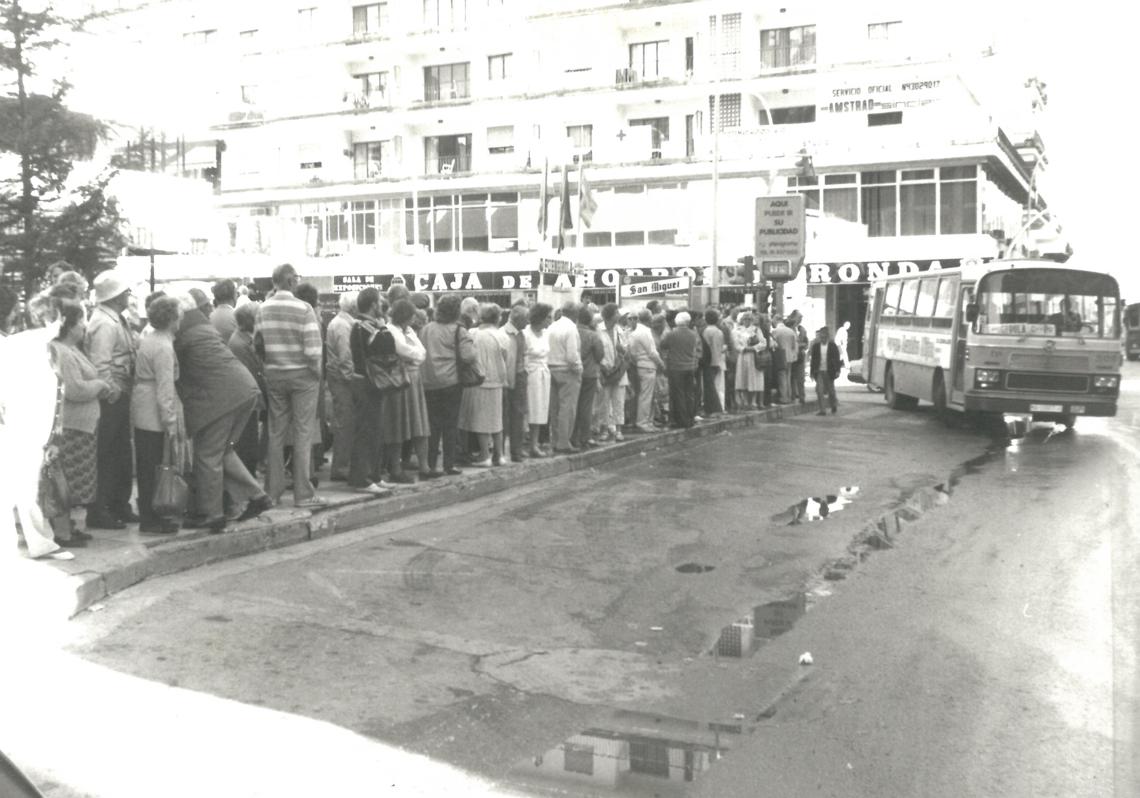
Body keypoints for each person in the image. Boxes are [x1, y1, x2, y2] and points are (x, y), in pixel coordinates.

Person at [175, 293, 272, 530]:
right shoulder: (203, 328)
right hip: (244, 389)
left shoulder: (182, 334)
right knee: (223, 451)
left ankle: (212, 514)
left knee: (208, 455)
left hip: (222, 398)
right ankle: (257, 495)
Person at [0, 291, 71, 560]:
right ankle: (38, 543)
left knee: (21, 488)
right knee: (23, 489)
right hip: (21, 428)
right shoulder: (25, 345)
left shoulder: (29, 345)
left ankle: (34, 542)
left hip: (29, 429)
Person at [255, 263, 326, 508]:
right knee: (302, 434)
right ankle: (303, 493)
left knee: (275, 433)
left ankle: (272, 492)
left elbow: (258, 345)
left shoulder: (263, 309)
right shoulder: (304, 309)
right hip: (302, 375)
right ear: (290, 281)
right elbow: (313, 349)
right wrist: (316, 374)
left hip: (275, 374)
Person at [47, 300, 113, 546]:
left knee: (75, 481)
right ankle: (62, 530)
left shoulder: (71, 349)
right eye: (81, 321)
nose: (85, 326)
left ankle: (68, 526)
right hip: (72, 426)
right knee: (68, 481)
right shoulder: (61, 351)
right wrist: (100, 385)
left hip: (82, 425)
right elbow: (74, 389)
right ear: (69, 325)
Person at [85, 269, 139, 529]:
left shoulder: (114, 319)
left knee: (119, 452)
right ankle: (100, 508)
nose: (129, 295)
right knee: (107, 453)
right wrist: (112, 390)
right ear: (117, 296)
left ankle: (118, 503)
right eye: (126, 292)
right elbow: (100, 363)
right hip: (112, 395)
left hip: (119, 391)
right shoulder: (105, 324)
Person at [131, 295, 185, 534]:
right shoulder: (164, 346)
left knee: (146, 464)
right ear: (172, 318)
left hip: (142, 403)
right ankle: (151, 517)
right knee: (154, 464)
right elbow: (165, 388)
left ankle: (148, 512)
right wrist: (171, 422)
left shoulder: (150, 339)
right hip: (153, 408)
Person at [419, 293, 477, 476]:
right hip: (451, 381)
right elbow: (468, 356)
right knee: (450, 425)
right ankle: (448, 464)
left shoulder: (427, 329)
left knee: (432, 425)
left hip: (428, 381)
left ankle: (430, 463)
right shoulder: (458, 330)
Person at [347, 288, 388, 493]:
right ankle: (362, 478)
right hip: (367, 382)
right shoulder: (367, 327)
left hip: (367, 380)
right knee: (366, 430)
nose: (382, 305)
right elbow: (387, 346)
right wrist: (383, 329)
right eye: (379, 302)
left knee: (375, 429)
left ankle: (373, 474)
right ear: (373, 305)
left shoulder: (359, 325)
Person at [386, 298, 432, 480]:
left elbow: (421, 353)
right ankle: (395, 469)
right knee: (398, 425)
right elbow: (403, 350)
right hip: (399, 380)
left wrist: (414, 355)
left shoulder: (409, 330)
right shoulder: (390, 330)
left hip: (413, 378)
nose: (413, 320)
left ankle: (424, 466)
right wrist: (414, 355)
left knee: (419, 424)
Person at [459, 303, 509, 466]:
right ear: (498, 317)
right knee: (496, 419)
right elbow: (506, 358)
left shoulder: (473, 333)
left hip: (478, 380)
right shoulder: (502, 336)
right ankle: (499, 455)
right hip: (497, 380)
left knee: (480, 419)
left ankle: (484, 455)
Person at [228, 302, 267, 477]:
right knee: (247, 440)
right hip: (246, 398)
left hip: (247, 397)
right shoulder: (240, 344)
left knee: (249, 439)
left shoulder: (243, 339)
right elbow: (251, 371)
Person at [324, 292, 358, 482]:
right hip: (342, 379)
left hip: (337, 376)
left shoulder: (339, 322)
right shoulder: (343, 326)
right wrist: (352, 379)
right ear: (353, 307)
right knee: (345, 422)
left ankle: (342, 464)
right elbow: (345, 357)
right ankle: (341, 466)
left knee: (344, 421)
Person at [547, 300, 583, 454]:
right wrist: (579, 368)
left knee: (554, 408)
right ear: (575, 313)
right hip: (567, 371)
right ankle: (563, 442)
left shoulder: (552, 326)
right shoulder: (571, 328)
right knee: (567, 408)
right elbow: (572, 355)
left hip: (551, 368)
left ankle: (554, 440)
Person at [571, 304, 605, 449]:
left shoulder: (572, 332)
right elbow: (600, 355)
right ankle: (584, 437)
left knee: (573, 406)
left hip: (573, 372)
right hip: (590, 374)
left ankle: (572, 436)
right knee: (586, 407)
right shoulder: (593, 336)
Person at [659, 311, 701, 428]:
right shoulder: (693, 334)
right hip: (690, 366)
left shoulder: (671, 334)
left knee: (678, 394)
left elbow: (663, 345)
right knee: (689, 394)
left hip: (676, 367)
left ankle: (681, 421)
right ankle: (690, 418)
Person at [499, 303, 529, 463]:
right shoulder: (505, 333)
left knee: (519, 414)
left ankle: (516, 450)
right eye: (526, 319)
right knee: (506, 416)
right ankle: (502, 450)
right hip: (510, 378)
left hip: (520, 375)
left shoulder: (520, 333)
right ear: (518, 319)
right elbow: (507, 360)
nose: (528, 322)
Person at [523, 303, 553, 458]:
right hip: (530, 375)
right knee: (528, 409)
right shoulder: (525, 333)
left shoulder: (547, 334)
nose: (550, 320)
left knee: (540, 410)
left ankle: (534, 445)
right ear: (540, 317)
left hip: (543, 374)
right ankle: (522, 444)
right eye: (548, 317)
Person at [627, 309, 664, 432]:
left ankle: (646, 421)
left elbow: (631, 352)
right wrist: (661, 363)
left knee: (643, 395)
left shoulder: (634, 333)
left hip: (639, 365)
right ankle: (643, 422)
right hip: (648, 365)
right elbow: (652, 352)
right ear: (650, 318)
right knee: (647, 396)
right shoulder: (646, 332)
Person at [597, 303, 628, 443]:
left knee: (619, 401)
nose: (619, 315)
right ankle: (604, 429)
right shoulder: (598, 330)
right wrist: (603, 366)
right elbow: (596, 351)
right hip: (604, 370)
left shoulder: (620, 330)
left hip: (619, 371)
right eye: (616, 312)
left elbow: (627, 350)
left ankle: (619, 430)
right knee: (603, 402)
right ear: (610, 315)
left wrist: (622, 350)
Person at [733, 311, 765, 409]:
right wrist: (743, 348)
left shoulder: (756, 330)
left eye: (749, 319)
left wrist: (754, 348)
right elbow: (735, 344)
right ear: (742, 320)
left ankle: (754, 401)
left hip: (754, 357)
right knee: (743, 378)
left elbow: (763, 343)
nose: (747, 321)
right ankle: (745, 401)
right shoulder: (737, 330)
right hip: (743, 356)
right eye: (745, 319)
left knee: (754, 378)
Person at [810, 326, 842, 416]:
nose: (822, 338)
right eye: (821, 337)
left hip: (829, 371)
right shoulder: (816, 347)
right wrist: (812, 372)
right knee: (819, 390)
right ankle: (822, 410)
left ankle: (833, 404)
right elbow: (813, 360)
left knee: (831, 391)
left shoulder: (832, 346)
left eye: (824, 337)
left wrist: (838, 370)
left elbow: (837, 358)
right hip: (819, 371)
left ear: (827, 337)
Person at [702, 308, 726, 415]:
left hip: (709, 362)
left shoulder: (705, 331)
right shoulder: (717, 332)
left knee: (710, 386)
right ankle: (716, 408)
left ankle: (713, 408)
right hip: (715, 361)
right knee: (715, 386)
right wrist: (716, 363)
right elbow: (716, 349)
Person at [772, 315, 799, 405]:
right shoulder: (790, 331)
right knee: (788, 376)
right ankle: (789, 395)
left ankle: (784, 397)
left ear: (776, 321)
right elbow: (794, 345)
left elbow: (774, 344)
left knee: (782, 377)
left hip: (780, 356)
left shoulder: (775, 331)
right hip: (790, 356)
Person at [788, 310, 809, 405]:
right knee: (792, 377)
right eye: (799, 317)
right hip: (791, 356)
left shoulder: (802, 329)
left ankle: (801, 396)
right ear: (794, 317)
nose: (801, 319)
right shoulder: (789, 328)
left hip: (800, 355)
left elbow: (806, 343)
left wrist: (801, 345)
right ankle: (793, 395)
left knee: (800, 378)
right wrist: (799, 345)